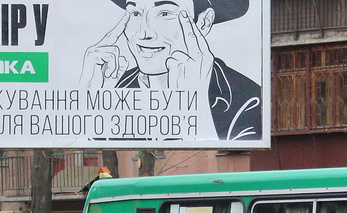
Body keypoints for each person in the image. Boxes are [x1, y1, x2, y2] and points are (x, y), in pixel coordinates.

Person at [82, 0, 262, 141]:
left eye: (164, 13)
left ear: (203, 22)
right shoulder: (115, 89)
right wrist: (88, 105)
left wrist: (194, 104)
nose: (144, 32)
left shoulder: (248, 100)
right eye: (135, 13)